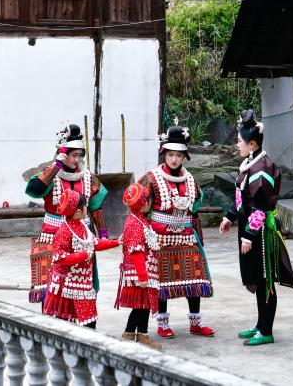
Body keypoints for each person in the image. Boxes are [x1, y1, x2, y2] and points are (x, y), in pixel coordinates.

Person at [219, 110, 293, 346]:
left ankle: (266, 330)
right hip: (250, 229)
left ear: (252, 144)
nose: (237, 144)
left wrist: (248, 236)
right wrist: (229, 217)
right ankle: (260, 324)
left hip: (260, 233)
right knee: (259, 278)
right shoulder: (250, 163)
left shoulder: (262, 169)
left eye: (239, 141)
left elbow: (259, 208)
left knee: (265, 281)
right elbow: (243, 199)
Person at [139, 126, 215, 338]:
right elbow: (138, 203)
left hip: (186, 235)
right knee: (163, 280)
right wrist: (144, 234)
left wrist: (197, 234)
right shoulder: (151, 178)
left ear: (184, 156)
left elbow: (196, 205)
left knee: (194, 277)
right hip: (160, 237)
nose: (174, 159)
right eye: (170, 154)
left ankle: (195, 322)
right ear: (164, 154)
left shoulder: (190, 179)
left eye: (178, 155)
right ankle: (163, 323)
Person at [25, 124, 109, 308]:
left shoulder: (88, 177)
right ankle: (50, 322)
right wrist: (57, 165)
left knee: (80, 280)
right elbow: (35, 190)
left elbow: (96, 206)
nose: (76, 159)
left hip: (82, 235)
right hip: (54, 234)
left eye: (79, 155)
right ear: (63, 153)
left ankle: (79, 320)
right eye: (73, 155)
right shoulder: (50, 174)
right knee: (52, 282)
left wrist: (102, 232)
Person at [43, 190, 119, 327]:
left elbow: (95, 243)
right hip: (66, 285)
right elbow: (60, 258)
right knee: (66, 324)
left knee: (89, 322)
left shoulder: (82, 225)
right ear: (78, 212)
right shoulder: (64, 231)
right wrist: (84, 255)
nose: (87, 208)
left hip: (83, 283)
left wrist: (117, 242)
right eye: (85, 206)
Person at [115, 182, 163, 348]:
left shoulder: (140, 220)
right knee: (140, 306)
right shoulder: (134, 223)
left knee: (145, 304)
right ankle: (130, 333)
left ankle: (142, 334)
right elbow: (136, 251)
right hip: (139, 272)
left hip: (144, 269)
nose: (149, 203)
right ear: (143, 203)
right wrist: (142, 276)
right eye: (148, 200)